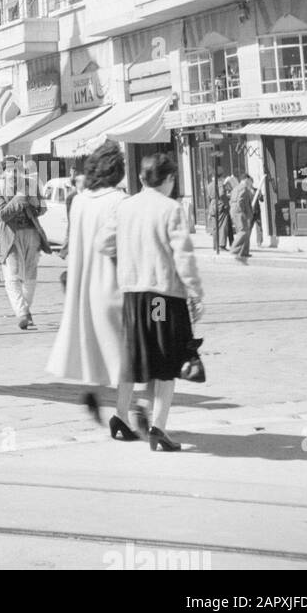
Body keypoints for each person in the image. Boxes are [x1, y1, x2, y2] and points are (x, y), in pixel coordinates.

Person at [99, 152, 205, 452]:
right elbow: (183, 257)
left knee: (133, 358)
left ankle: (120, 417)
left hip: (133, 295)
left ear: (144, 178)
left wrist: (130, 259)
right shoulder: (170, 209)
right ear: (169, 179)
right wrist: (196, 291)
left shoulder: (125, 207)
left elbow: (103, 244)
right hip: (163, 297)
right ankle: (158, 427)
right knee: (166, 362)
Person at [46, 143, 140, 434]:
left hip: (83, 282)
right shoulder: (121, 201)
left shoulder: (80, 200)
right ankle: (122, 415)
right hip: (113, 282)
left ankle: (93, 391)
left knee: (94, 343)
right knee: (129, 353)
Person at [0, 173, 49, 330]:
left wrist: (35, 204)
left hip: (31, 233)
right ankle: (23, 312)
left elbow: (43, 208)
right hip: (10, 236)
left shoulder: (31, 184)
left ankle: (24, 312)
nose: (15, 177)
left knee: (30, 274)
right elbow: (2, 215)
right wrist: (19, 198)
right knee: (12, 275)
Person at [229, 173, 256, 263]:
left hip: (235, 212)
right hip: (240, 213)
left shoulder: (236, 188)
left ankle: (244, 252)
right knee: (243, 231)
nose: (250, 183)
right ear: (246, 179)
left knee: (246, 231)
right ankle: (234, 249)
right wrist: (243, 213)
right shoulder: (243, 188)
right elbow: (240, 201)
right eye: (250, 181)